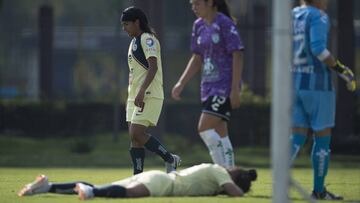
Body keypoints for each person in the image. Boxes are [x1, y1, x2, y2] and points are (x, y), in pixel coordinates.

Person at [291, 0, 356, 200]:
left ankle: (279, 184)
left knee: (297, 137)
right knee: (322, 137)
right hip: (317, 85)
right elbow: (319, 49)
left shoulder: (293, 14)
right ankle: (319, 191)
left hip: (294, 82)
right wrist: (342, 70)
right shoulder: (318, 16)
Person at [171, 0, 244, 169]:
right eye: (192, 4)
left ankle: (222, 172)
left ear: (210, 3)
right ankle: (231, 173)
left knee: (204, 128)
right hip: (208, 87)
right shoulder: (198, 26)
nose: (193, 7)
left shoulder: (224, 23)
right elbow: (197, 58)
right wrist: (181, 83)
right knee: (220, 133)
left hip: (224, 86)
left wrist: (234, 89)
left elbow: (238, 54)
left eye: (197, 3)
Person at [121, 6, 180, 174]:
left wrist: (141, 91)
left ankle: (170, 159)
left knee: (137, 133)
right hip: (134, 96)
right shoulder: (133, 42)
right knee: (134, 138)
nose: (124, 28)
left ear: (137, 22)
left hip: (149, 94)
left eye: (126, 24)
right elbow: (134, 73)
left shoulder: (148, 39)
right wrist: (131, 95)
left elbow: (152, 68)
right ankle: (137, 176)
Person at [17, 163, 257, 200]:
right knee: (123, 194)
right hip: (165, 184)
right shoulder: (221, 173)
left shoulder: (212, 168)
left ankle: (48, 186)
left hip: (158, 175)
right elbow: (234, 192)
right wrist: (244, 193)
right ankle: (91, 193)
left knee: (115, 188)